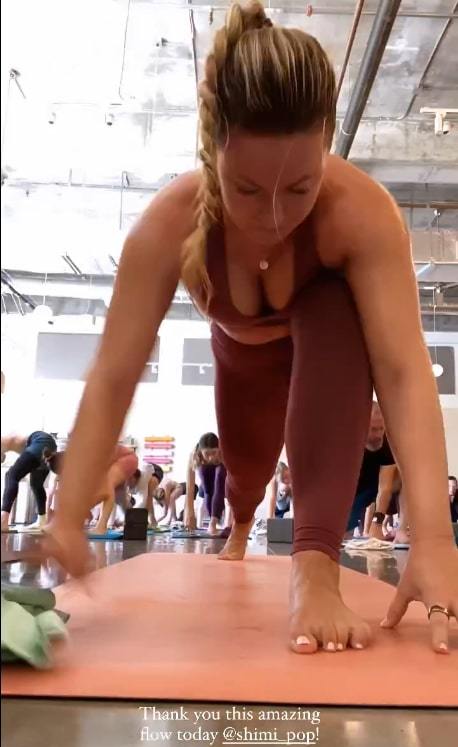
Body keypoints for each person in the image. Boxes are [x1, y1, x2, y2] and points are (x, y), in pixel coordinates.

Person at [43, 3, 457, 654]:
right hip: (242, 361)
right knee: (246, 471)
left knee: (333, 304)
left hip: (330, 360)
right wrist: (68, 514)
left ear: (327, 139)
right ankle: (239, 525)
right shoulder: (168, 224)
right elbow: (115, 372)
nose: (274, 217)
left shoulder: (362, 214)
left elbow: (403, 371)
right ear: (212, 152)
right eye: (246, 190)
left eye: (299, 189)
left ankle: (314, 573)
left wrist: (432, 538)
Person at [47, 446, 139, 534]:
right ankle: (137, 523)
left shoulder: (85, 458)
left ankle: (101, 528)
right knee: (119, 499)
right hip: (119, 462)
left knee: (107, 488)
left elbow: (103, 492)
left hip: (126, 458)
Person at [346, 403, 397, 539]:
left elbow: (385, 487)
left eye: (381, 428)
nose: (379, 435)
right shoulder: (347, 443)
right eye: (373, 429)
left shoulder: (387, 443)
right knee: (342, 532)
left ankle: (402, 530)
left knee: (404, 478)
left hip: (374, 486)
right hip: (349, 489)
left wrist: (377, 523)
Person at [1, 432, 57, 532]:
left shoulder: (6, 439)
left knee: (11, 475)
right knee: (36, 485)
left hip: (40, 442)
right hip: (50, 447)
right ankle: (41, 521)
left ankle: (3, 520)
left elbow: (14, 440)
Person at [184, 433, 228, 535]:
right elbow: (190, 487)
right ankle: (212, 518)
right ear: (200, 451)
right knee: (207, 489)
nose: (211, 457)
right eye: (207, 454)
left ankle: (213, 521)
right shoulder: (194, 455)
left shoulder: (224, 453)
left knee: (219, 477)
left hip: (222, 476)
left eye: (214, 452)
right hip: (206, 475)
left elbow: (222, 487)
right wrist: (189, 513)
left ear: (219, 449)